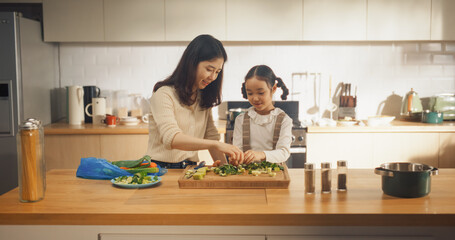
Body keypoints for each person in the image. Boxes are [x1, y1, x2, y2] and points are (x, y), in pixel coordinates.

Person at [146, 34, 244, 169]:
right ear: (192, 63)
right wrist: (215, 144)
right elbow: (172, 138)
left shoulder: (202, 97)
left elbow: (211, 136)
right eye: (209, 69)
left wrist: (226, 169)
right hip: (161, 169)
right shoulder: (164, 94)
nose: (213, 77)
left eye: (217, 71)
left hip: (191, 168)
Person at [232, 65, 292, 165]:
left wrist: (260, 155)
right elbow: (238, 151)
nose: (255, 98)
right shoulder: (241, 119)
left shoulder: (284, 120)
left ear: (273, 89)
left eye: (260, 93)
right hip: (248, 175)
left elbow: (283, 153)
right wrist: (235, 158)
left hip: (275, 175)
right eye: (250, 93)